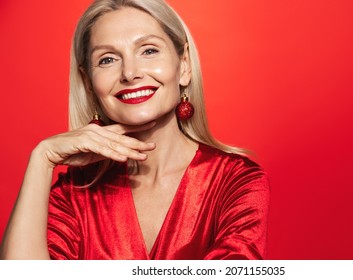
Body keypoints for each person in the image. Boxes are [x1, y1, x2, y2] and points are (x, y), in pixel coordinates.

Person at [0, 0, 269, 260]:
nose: (130, 73)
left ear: (184, 65)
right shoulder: (74, 192)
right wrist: (42, 158)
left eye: (149, 50)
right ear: (89, 82)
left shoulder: (237, 181)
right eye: (107, 59)